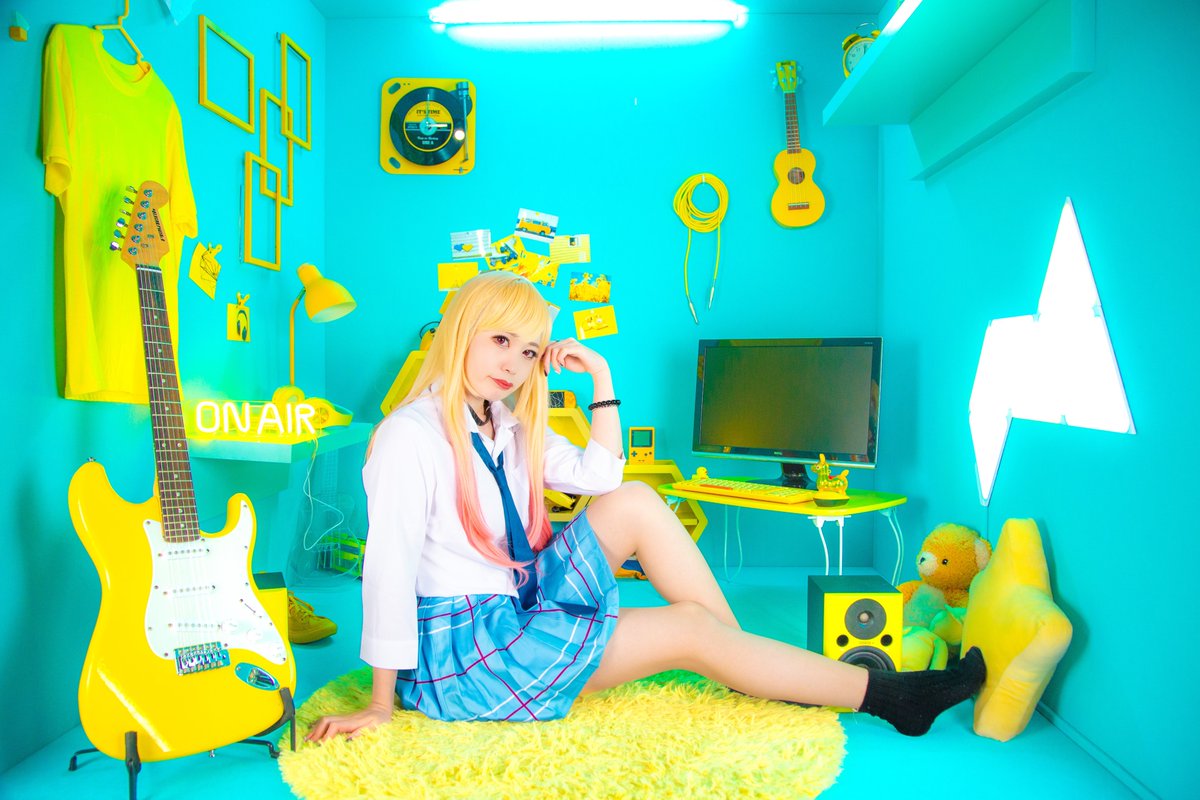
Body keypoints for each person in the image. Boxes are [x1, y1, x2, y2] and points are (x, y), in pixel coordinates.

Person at [306, 271, 984, 743]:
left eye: (530, 350)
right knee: (688, 629)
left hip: (518, 601)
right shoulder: (410, 436)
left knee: (635, 500)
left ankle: (740, 661)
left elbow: (603, 475)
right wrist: (379, 703)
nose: (513, 364)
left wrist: (600, 376)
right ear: (461, 332)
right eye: (500, 341)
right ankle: (893, 699)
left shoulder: (502, 424)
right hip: (468, 653)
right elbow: (387, 570)